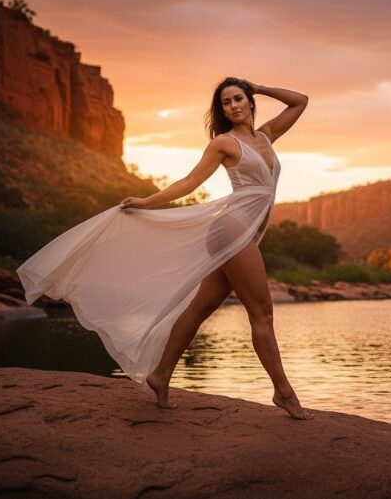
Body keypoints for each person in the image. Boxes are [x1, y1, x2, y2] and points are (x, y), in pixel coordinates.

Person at [17, 77, 313, 420]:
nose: (232, 106)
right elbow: (189, 182)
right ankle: (283, 391)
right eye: (225, 103)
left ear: (249, 101)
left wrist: (258, 87)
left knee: (200, 308)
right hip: (231, 229)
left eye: (238, 99)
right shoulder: (224, 143)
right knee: (262, 313)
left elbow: (300, 101)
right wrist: (148, 202)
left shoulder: (266, 135)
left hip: (244, 232)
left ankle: (159, 375)